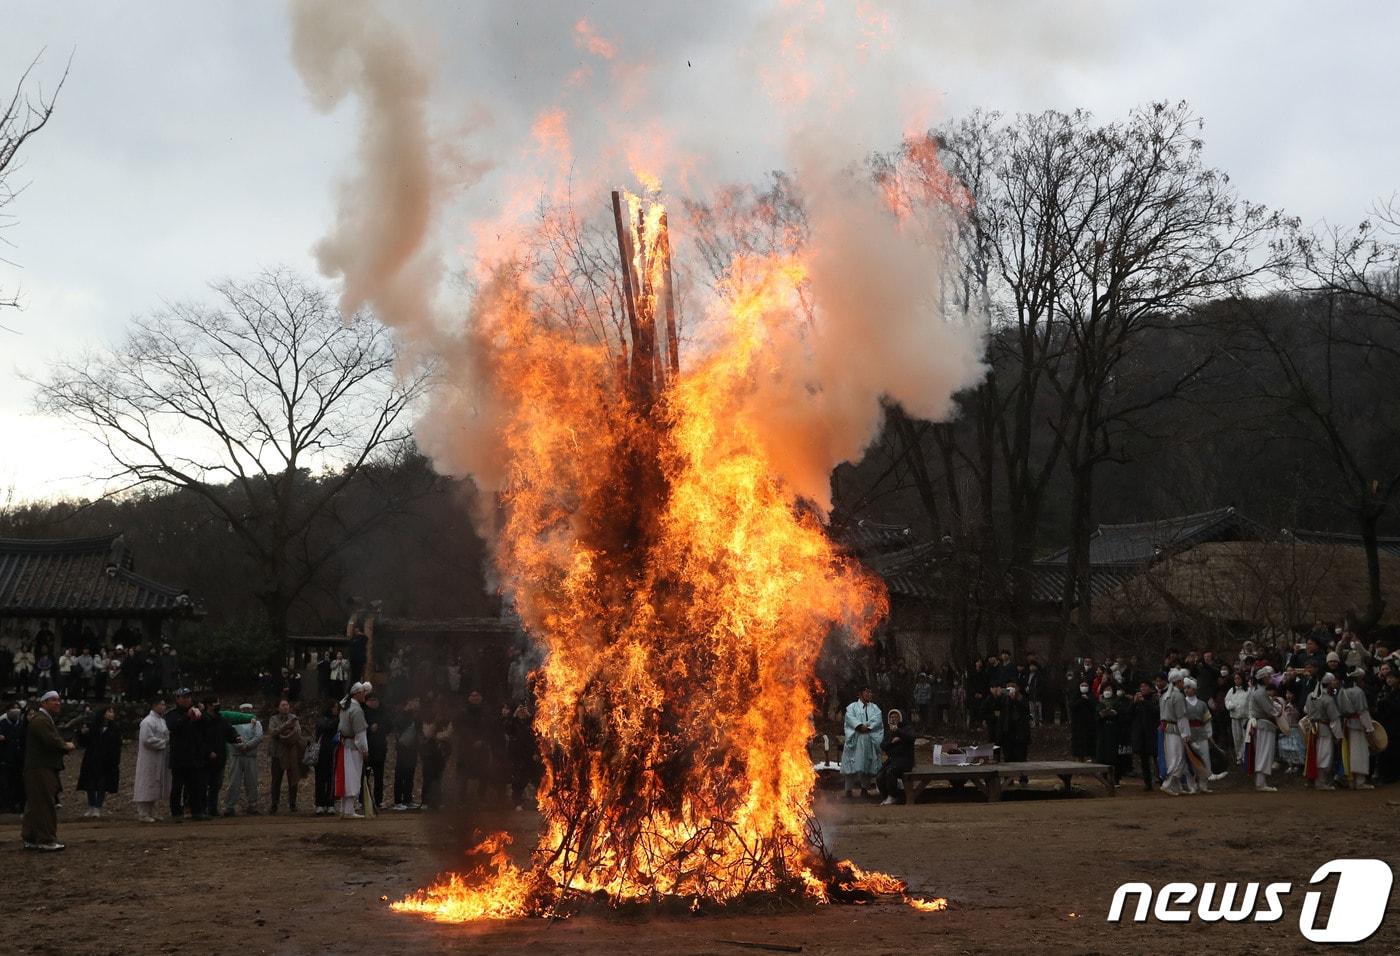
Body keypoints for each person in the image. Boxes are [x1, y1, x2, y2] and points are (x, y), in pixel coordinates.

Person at [22, 690, 74, 851]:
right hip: (41, 768)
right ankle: (46, 839)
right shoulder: (41, 721)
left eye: (58, 700)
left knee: (35, 804)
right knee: (45, 803)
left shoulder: (42, 720)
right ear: (43, 703)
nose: (57, 703)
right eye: (53, 700)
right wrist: (66, 746)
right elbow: (52, 741)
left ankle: (31, 836)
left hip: (37, 767)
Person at [165, 688, 207, 821]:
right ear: (177, 699)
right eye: (183, 697)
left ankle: (197, 811)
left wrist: (202, 713)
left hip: (194, 755)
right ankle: (176, 813)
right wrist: (186, 717)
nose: (187, 699)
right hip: (179, 756)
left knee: (195, 786)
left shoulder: (196, 711)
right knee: (177, 786)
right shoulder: (172, 714)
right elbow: (172, 727)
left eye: (188, 697)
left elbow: (206, 726)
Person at [76, 704, 122, 816]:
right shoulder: (93, 727)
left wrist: (115, 760)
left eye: (112, 712)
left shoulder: (115, 728)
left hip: (107, 760)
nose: (112, 714)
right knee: (90, 784)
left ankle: (98, 806)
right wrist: (82, 734)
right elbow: (84, 743)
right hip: (92, 759)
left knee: (102, 784)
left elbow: (117, 746)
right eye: (109, 712)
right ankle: (91, 805)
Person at [840, 686, 883, 799]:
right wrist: (859, 726)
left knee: (867, 764)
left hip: (868, 739)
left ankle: (865, 789)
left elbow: (877, 720)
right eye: (867, 692)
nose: (870, 694)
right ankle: (848, 790)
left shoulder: (875, 708)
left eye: (870, 692)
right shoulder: (852, 707)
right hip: (855, 738)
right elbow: (849, 719)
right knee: (851, 764)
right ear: (860, 694)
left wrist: (868, 727)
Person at [1337, 668, 1375, 790]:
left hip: (1346, 724)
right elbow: (1363, 712)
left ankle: (1351, 781)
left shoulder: (1341, 691)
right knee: (1360, 752)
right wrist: (1369, 728)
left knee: (1349, 752)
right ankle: (1360, 781)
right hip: (1358, 725)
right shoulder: (1358, 692)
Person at [1303, 673, 1343, 790]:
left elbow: (1305, 709)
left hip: (1313, 729)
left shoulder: (1311, 695)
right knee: (1324, 755)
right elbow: (1334, 719)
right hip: (1324, 730)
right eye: (1333, 682)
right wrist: (1339, 736)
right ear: (1329, 683)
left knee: (1315, 754)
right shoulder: (1328, 699)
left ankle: (1314, 780)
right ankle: (1320, 782)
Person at [336, 682, 370, 818]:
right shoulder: (356, 710)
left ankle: (345, 809)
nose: (364, 695)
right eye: (362, 692)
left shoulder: (345, 706)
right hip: (353, 747)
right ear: (356, 694)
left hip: (344, 744)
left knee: (346, 777)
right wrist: (365, 749)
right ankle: (348, 810)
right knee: (352, 777)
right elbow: (360, 734)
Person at [133, 698, 170, 822]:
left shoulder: (161, 721)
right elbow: (147, 740)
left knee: (155, 782)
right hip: (149, 757)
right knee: (146, 781)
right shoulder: (147, 722)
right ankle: (143, 812)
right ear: (154, 705)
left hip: (159, 756)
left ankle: (151, 811)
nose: (164, 707)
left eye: (164, 704)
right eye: (162, 704)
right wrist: (163, 742)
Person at [267, 699, 306, 814]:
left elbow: (298, 732)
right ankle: (274, 804)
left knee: (293, 780)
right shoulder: (273, 719)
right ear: (278, 707)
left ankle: (293, 804)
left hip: (291, 753)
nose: (285, 707)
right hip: (277, 753)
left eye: (287, 705)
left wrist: (284, 734)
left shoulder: (293, 718)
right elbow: (273, 733)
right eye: (283, 705)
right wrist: (285, 727)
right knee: (276, 780)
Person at [1246, 665, 1281, 792]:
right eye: (1268, 676)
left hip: (1262, 725)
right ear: (1263, 678)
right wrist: (1279, 711)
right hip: (1263, 726)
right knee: (1264, 752)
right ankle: (1261, 783)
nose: (1270, 678)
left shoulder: (1259, 691)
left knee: (1263, 752)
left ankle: (1260, 781)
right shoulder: (1261, 693)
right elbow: (1271, 711)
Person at [223, 703, 263, 815]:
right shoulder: (233, 723)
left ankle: (253, 805)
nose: (246, 711)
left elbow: (259, 736)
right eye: (244, 709)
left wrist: (248, 745)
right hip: (236, 755)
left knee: (252, 781)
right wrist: (240, 746)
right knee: (233, 782)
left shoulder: (257, 723)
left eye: (248, 709)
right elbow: (230, 736)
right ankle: (229, 806)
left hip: (250, 756)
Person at [1159, 668, 1192, 796]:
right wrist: (1186, 734)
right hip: (1175, 730)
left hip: (1167, 729)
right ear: (1178, 682)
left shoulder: (1165, 695)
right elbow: (1182, 717)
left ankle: (1177, 786)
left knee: (1176, 757)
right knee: (1177, 758)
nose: (1183, 683)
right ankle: (1167, 784)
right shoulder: (1177, 696)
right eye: (1182, 681)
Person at [876, 708, 917, 805]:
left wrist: (898, 732)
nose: (893, 719)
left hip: (905, 760)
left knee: (890, 772)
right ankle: (886, 796)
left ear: (901, 718)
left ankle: (893, 796)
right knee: (880, 775)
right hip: (892, 760)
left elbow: (911, 738)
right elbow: (883, 746)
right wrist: (892, 742)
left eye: (895, 717)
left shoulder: (907, 728)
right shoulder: (889, 731)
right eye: (891, 717)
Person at [1182, 678, 1216, 793]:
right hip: (1189, 735)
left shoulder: (1202, 704)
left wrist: (1209, 734)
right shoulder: (1182, 703)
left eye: (1189, 688)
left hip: (1201, 734)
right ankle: (1192, 785)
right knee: (1190, 761)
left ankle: (1203, 784)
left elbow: (1207, 721)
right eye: (1185, 688)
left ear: (1194, 689)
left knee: (1204, 759)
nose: (1186, 690)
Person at [505, 705, 538, 811]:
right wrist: (515, 715)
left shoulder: (531, 723)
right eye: (520, 712)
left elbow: (536, 736)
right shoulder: (513, 723)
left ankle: (538, 802)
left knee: (534, 778)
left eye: (523, 711)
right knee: (518, 781)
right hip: (517, 755)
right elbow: (508, 728)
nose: (522, 713)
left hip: (529, 755)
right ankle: (517, 803)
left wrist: (536, 753)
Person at [1128, 681, 1159, 792]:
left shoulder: (1154, 698)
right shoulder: (1136, 700)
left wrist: (1144, 702)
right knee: (1144, 759)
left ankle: (1160, 778)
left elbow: (1156, 712)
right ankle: (1148, 783)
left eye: (1145, 686)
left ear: (1150, 688)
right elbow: (1129, 714)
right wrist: (1134, 703)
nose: (1143, 688)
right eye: (1141, 686)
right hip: (1140, 734)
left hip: (1152, 732)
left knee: (1156, 757)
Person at [391, 700, 420, 811]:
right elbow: (397, 731)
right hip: (403, 750)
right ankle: (398, 801)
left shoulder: (416, 718)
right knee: (400, 776)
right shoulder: (401, 717)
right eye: (411, 704)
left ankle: (407, 800)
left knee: (410, 776)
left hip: (413, 750)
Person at [314, 700, 341, 816]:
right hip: (321, 753)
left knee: (331, 779)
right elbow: (324, 727)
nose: (337, 710)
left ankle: (330, 803)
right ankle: (320, 804)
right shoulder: (322, 720)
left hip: (333, 753)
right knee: (320, 779)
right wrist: (337, 720)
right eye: (335, 708)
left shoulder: (338, 721)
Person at [364, 693, 388, 812]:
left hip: (380, 748)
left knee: (379, 777)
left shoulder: (383, 712)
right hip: (367, 748)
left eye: (375, 700)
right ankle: (362, 800)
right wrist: (369, 729)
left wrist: (380, 727)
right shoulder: (363, 712)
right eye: (371, 700)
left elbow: (389, 726)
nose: (374, 702)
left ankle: (378, 800)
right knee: (364, 776)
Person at [0, 702, 26, 813]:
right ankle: (6, 805)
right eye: (13, 708)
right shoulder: (2, 723)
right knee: (5, 782)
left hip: (19, 758)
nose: (15, 711)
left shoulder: (21, 724)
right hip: (5, 758)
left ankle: (18, 804)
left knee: (19, 782)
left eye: (17, 708)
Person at [1224, 671, 1250, 767]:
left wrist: (1250, 717)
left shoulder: (1248, 690)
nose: (1236, 680)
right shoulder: (1231, 690)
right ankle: (1239, 756)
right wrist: (1230, 705)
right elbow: (1227, 700)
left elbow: (1251, 703)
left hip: (1245, 718)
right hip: (1235, 718)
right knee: (1237, 738)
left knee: (1245, 737)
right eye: (1235, 679)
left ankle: (1245, 756)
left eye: (1238, 678)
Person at [1068, 680, 1096, 761]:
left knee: (1090, 743)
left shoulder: (1091, 696)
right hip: (1078, 725)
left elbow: (1094, 706)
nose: (1084, 687)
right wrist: (1081, 700)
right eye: (1082, 685)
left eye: (1086, 685)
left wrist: (1088, 699)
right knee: (1079, 744)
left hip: (1090, 724)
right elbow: (1072, 706)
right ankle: (1080, 758)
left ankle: (1093, 759)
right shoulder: (1076, 695)